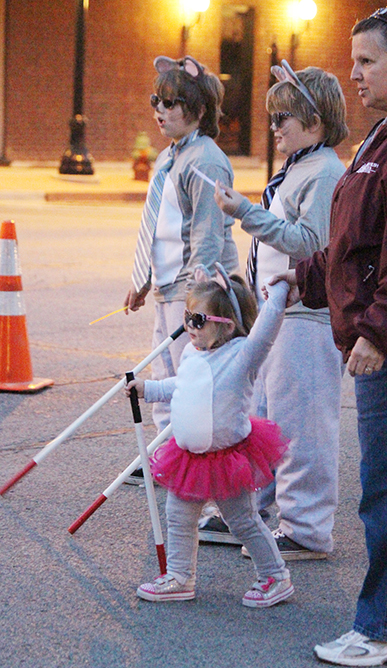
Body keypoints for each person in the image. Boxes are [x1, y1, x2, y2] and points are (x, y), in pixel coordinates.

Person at [271, 7, 387, 665]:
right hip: (369, 340)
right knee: (384, 488)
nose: (355, 73)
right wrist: (301, 280)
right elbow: (353, 245)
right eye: (353, 60)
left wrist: (377, 329)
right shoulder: (379, 139)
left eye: (369, 60)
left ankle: (382, 630)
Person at [209, 64, 348, 560]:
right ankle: (252, 514)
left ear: (315, 118)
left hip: (305, 315)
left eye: (282, 115)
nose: (274, 126)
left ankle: (307, 528)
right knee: (263, 418)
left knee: (302, 423)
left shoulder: (326, 171)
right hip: (277, 314)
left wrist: (246, 212)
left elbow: (309, 244)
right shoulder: (300, 167)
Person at [125, 264, 294, 607]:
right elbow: (183, 384)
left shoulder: (242, 356)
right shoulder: (193, 351)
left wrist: (277, 294)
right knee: (179, 518)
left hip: (226, 458)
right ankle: (179, 577)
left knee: (243, 522)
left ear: (227, 326)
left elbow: (265, 332)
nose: (189, 326)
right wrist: (149, 388)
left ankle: (275, 576)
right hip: (188, 458)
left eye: (198, 321)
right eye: (188, 317)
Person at [123, 55, 239, 484]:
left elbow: (207, 236)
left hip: (192, 289)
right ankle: (166, 456)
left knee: (186, 380)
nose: (160, 110)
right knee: (163, 376)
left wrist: (197, 300)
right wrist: (144, 280)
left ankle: (189, 463)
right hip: (166, 287)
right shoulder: (170, 157)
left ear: (199, 110)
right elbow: (161, 225)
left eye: (172, 102)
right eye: (157, 99)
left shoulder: (205, 161)